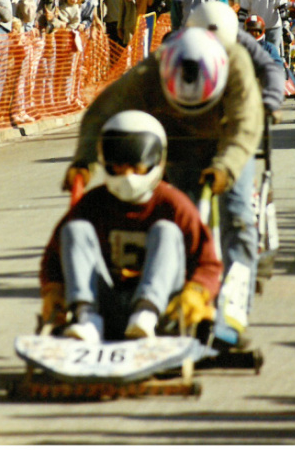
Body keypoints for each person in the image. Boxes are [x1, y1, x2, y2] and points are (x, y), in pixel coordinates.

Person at [64, 27, 263, 347]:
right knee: (176, 225)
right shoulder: (149, 72)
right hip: (178, 146)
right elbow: (102, 112)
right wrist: (85, 159)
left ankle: (232, 320)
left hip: (228, 145)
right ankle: (169, 305)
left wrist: (226, 166)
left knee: (238, 219)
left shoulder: (236, 63)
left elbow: (246, 124)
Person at [41, 111, 222, 341]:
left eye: (136, 167)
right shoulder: (92, 204)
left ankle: (146, 313)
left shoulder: (174, 205)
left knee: (166, 231)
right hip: (105, 304)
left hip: (162, 310)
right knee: (74, 230)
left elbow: (208, 263)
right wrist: (54, 289)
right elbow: (54, 255)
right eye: (119, 167)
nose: (127, 177)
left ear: (155, 161)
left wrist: (196, 291)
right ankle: (87, 317)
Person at [185, 0, 285, 124]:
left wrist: (271, 101)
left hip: (237, 91)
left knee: (240, 56)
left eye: (256, 31)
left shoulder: (245, 42)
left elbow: (271, 68)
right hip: (198, 93)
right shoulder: (182, 45)